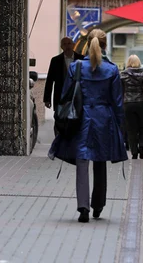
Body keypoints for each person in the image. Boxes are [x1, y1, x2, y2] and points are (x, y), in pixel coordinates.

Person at [48, 29, 127, 223]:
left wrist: (60, 118)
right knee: (100, 160)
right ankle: (98, 205)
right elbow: (117, 101)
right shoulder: (112, 69)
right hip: (104, 118)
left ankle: (83, 207)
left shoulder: (76, 67)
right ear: (105, 45)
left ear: (86, 44)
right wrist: (121, 126)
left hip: (81, 118)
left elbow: (65, 94)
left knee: (82, 160)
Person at [43, 36, 84, 134]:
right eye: (65, 44)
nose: (67, 46)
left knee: (77, 120)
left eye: (69, 43)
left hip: (77, 95)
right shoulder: (55, 60)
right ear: (61, 46)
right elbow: (49, 80)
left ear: (73, 45)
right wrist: (47, 98)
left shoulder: (81, 59)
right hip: (60, 96)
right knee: (59, 119)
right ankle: (59, 139)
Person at [120, 55, 143, 160]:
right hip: (142, 103)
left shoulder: (123, 74)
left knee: (131, 129)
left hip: (128, 103)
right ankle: (142, 147)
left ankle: (134, 152)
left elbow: (118, 87)